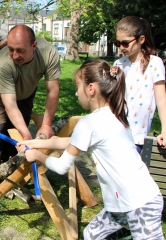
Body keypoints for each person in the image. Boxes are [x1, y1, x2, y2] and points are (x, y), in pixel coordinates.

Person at [17, 59, 164, 239]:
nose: (77, 93)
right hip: (126, 202)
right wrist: (34, 143)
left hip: (140, 204)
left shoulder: (89, 123)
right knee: (92, 234)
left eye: (78, 87)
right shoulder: (114, 115)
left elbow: (62, 166)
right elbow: (72, 141)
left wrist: (37, 156)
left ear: (91, 89)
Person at [0, 24, 61, 198]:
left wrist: (46, 125)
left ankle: (8, 174)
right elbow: (9, 104)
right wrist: (26, 134)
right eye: (11, 49)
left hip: (26, 95)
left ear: (34, 46)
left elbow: (53, 90)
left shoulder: (48, 52)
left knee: (14, 138)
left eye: (20, 51)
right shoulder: (3, 61)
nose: (15, 55)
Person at [113, 16, 166, 153]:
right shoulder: (118, 64)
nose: (121, 48)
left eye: (125, 43)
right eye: (118, 43)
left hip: (137, 136)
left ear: (141, 39)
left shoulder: (154, 63)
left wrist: (165, 130)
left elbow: (161, 99)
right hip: (115, 132)